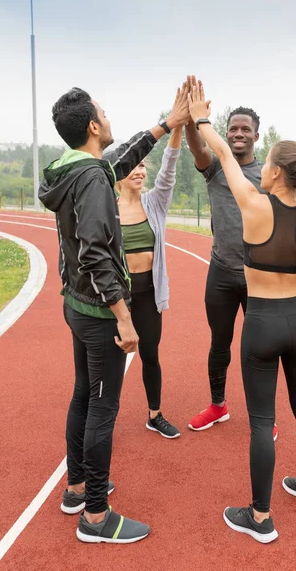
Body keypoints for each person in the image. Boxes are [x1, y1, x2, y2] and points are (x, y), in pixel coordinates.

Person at [38, 85, 189, 544]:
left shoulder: (76, 170)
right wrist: (125, 318)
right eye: (103, 112)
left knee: (83, 394)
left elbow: (119, 161)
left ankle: (77, 489)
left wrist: (167, 124)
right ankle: (97, 517)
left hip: (76, 305)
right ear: (93, 126)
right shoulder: (91, 181)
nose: (108, 116)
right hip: (101, 314)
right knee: (102, 409)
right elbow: (97, 255)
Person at [188, 82, 296, 543]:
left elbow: (225, 159)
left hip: (264, 324)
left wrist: (201, 118)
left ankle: (261, 517)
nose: (260, 167)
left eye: (267, 162)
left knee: (263, 422)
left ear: (276, 175)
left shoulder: (253, 205)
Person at [185, 76, 278, 441]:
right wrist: (195, 121)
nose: (238, 133)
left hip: (258, 276)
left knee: (260, 349)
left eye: (245, 129)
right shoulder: (215, 168)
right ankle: (218, 405)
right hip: (221, 272)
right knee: (219, 343)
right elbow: (198, 150)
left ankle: (264, 416)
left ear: (256, 135)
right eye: (233, 128)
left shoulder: (269, 176)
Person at [116, 88, 188, 439]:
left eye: (143, 164)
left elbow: (170, 166)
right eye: (133, 165)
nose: (140, 170)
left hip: (148, 295)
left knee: (151, 355)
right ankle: (104, 419)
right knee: (112, 361)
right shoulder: (106, 210)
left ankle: (154, 413)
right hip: (116, 297)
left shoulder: (154, 204)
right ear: (117, 173)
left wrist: (178, 124)